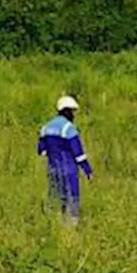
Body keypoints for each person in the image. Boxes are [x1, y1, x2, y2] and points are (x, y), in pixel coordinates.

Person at [37, 95, 93, 223]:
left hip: (52, 169)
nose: (73, 115)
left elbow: (41, 150)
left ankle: (52, 222)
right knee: (72, 198)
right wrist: (88, 170)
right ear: (66, 111)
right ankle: (71, 228)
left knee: (55, 197)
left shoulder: (45, 127)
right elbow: (79, 154)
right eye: (72, 111)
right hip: (69, 170)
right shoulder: (68, 128)